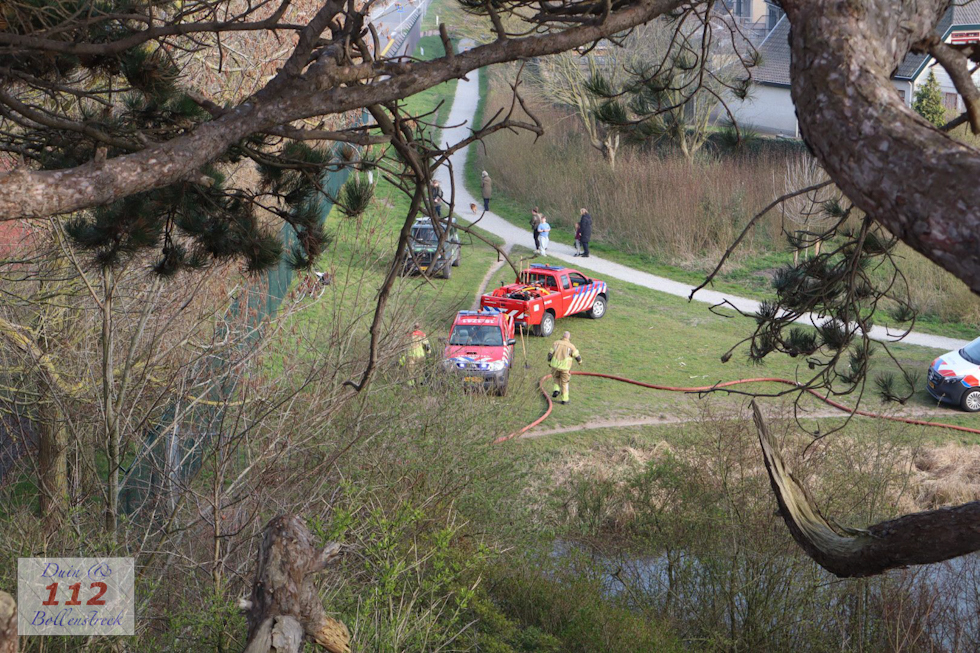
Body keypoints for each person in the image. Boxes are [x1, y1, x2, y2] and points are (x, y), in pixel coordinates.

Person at [548, 331, 582, 405]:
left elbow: (550, 354)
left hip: (555, 366)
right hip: (565, 368)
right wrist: (580, 362)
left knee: (556, 378)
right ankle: (565, 400)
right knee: (564, 383)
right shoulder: (571, 346)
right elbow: (577, 356)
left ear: (563, 336)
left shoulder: (556, 343)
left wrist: (549, 362)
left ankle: (556, 390)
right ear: (568, 337)